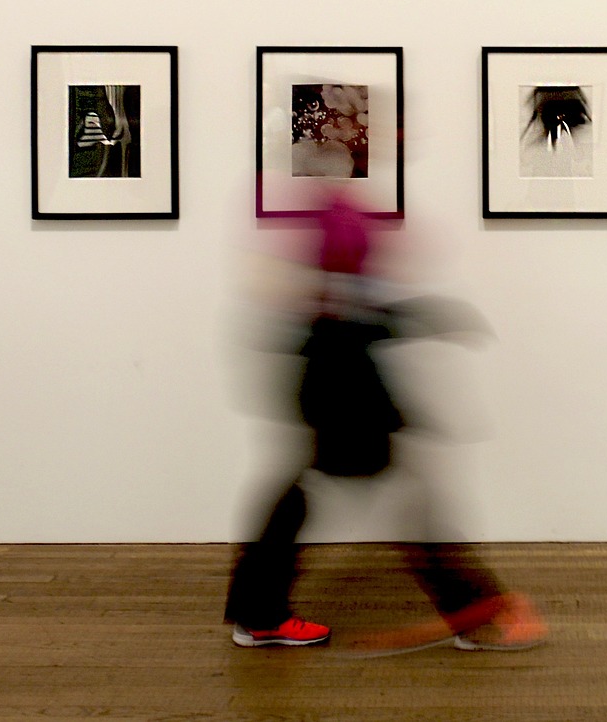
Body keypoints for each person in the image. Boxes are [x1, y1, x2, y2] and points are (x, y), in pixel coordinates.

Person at [224, 191, 546, 654]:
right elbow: (356, 337)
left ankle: (259, 614)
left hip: (339, 417)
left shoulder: (330, 297)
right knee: (403, 512)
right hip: (346, 419)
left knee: (299, 508)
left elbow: (368, 323)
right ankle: (475, 613)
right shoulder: (334, 303)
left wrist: (430, 322)